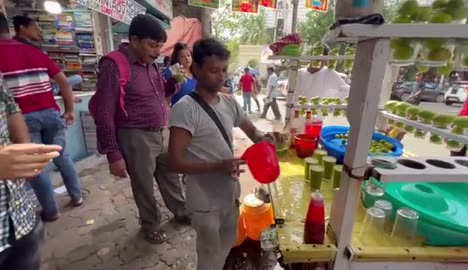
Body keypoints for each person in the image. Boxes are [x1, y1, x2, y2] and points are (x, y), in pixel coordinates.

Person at [168, 38, 270, 270]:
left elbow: (253, 131)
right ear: (195, 70)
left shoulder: (228, 102)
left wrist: (267, 138)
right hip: (204, 202)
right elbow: (174, 161)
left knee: (223, 250)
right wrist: (218, 166)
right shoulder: (185, 109)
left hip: (229, 195)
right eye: (214, 70)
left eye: (224, 70)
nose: (221, 76)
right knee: (208, 258)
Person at [94, 14, 188, 244]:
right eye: (152, 45)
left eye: (159, 46)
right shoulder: (114, 65)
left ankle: (181, 211)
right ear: (134, 40)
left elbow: (159, 95)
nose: (157, 51)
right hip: (135, 136)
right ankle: (150, 224)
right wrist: (113, 154)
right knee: (144, 185)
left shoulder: (152, 65)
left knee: (170, 175)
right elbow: (104, 111)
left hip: (160, 132)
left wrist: (172, 84)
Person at [0, 12, 83, 222]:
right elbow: (65, 82)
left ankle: (51, 211)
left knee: (36, 166)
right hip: (50, 112)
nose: (38, 31)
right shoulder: (34, 52)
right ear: (16, 28)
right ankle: (77, 196)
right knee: (62, 156)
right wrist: (70, 109)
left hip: (23, 119)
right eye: (34, 26)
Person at [0, 67, 63, 270]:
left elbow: (10, 107)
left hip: (19, 217)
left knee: (49, 159)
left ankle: (53, 209)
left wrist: (23, 146)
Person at [12, 15, 83, 96]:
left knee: (67, 81)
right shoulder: (28, 50)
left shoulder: (19, 47)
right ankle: (60, 90)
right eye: (35, 29)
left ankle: (61, 89)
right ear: (22, 28)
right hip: (43, 90)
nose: (38, 31)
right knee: (77, 78)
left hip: (33, 89)